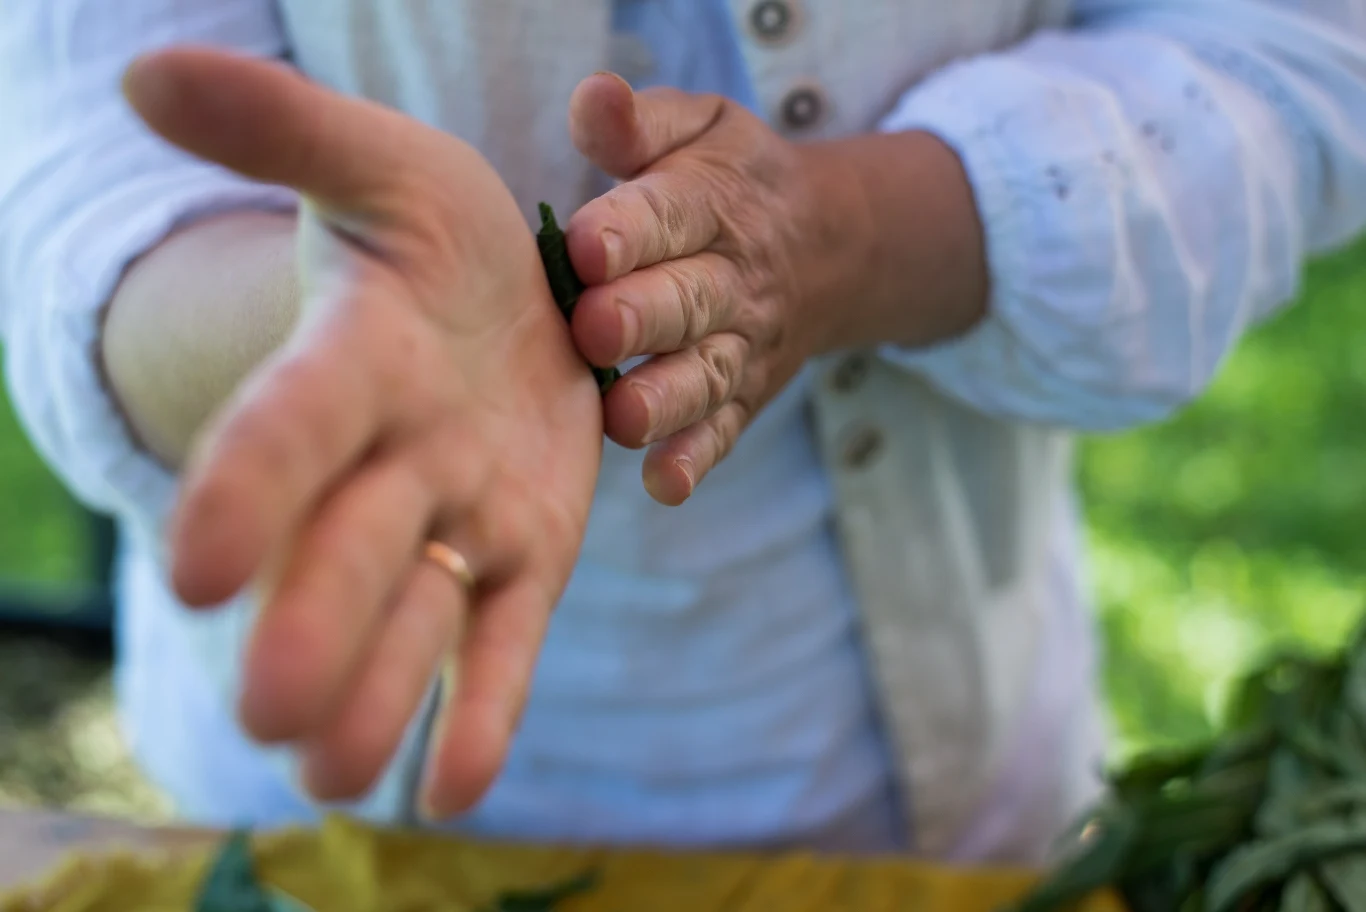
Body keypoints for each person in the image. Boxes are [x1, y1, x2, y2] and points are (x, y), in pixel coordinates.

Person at [2, 0, 1364, 864]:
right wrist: (323, 315)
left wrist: (852, 233)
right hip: (336, 834)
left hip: (955, 817)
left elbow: (1292, 43)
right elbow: (77, 167)